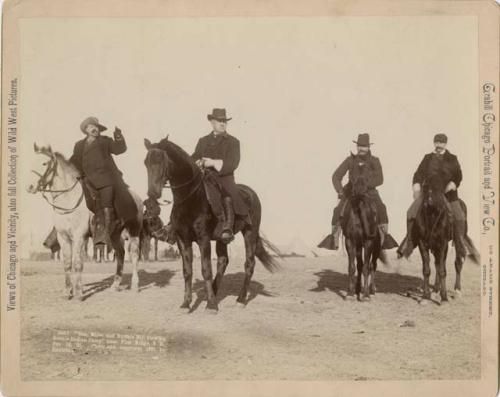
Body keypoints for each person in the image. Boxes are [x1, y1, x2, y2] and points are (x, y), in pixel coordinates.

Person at [397, 133, 466, 259]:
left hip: (447, 194)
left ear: (445, 144)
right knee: (410, 212)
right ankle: (409, 242)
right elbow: (418, 173)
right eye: (437, 142)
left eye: (441, 143)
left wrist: (453, 184)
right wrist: (417, 185)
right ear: (434, 143)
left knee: (459, 215)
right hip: (428, 192)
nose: (438, 145)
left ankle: (461, 244)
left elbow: (458, 175)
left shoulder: (452, 158)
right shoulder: (427, 158)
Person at [70, 116, 131, 245]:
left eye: (96, 127)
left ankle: (105, 235)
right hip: (85, 180)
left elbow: (120, 149)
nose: (95, 129)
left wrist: (118, 137)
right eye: (91, 126)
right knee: (70, 201)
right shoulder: (79, 145)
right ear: (86, 129)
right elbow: (74, 161)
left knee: (106, 205)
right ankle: (57, 236)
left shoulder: (105, 141)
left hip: (106, 180)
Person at [191, 108, 250, 244]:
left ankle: (226, 226)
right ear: (212, 122)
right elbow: (194, 157)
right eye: (219, 121)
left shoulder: (233, 142)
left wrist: (212, 163)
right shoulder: (203, 141)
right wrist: (198, 162)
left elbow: (233, 163)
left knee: (226, 195)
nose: (223, 123)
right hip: (204, 178)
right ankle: (174, 225)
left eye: (224, 121)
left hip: (224, 178)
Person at [330, 133, 389, 249]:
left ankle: (385, 237)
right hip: (351, 192)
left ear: (368, 147)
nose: (362, 149)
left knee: (382, 208)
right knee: (337, 210)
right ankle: (334, 237)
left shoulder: (375, 161)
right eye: (360, 146)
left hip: (369, 192)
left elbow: (380, 179)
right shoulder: (349, 160)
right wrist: (340, 191)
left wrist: (367, 185)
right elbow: (336, 176)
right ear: (357, 147)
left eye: (364, 146)